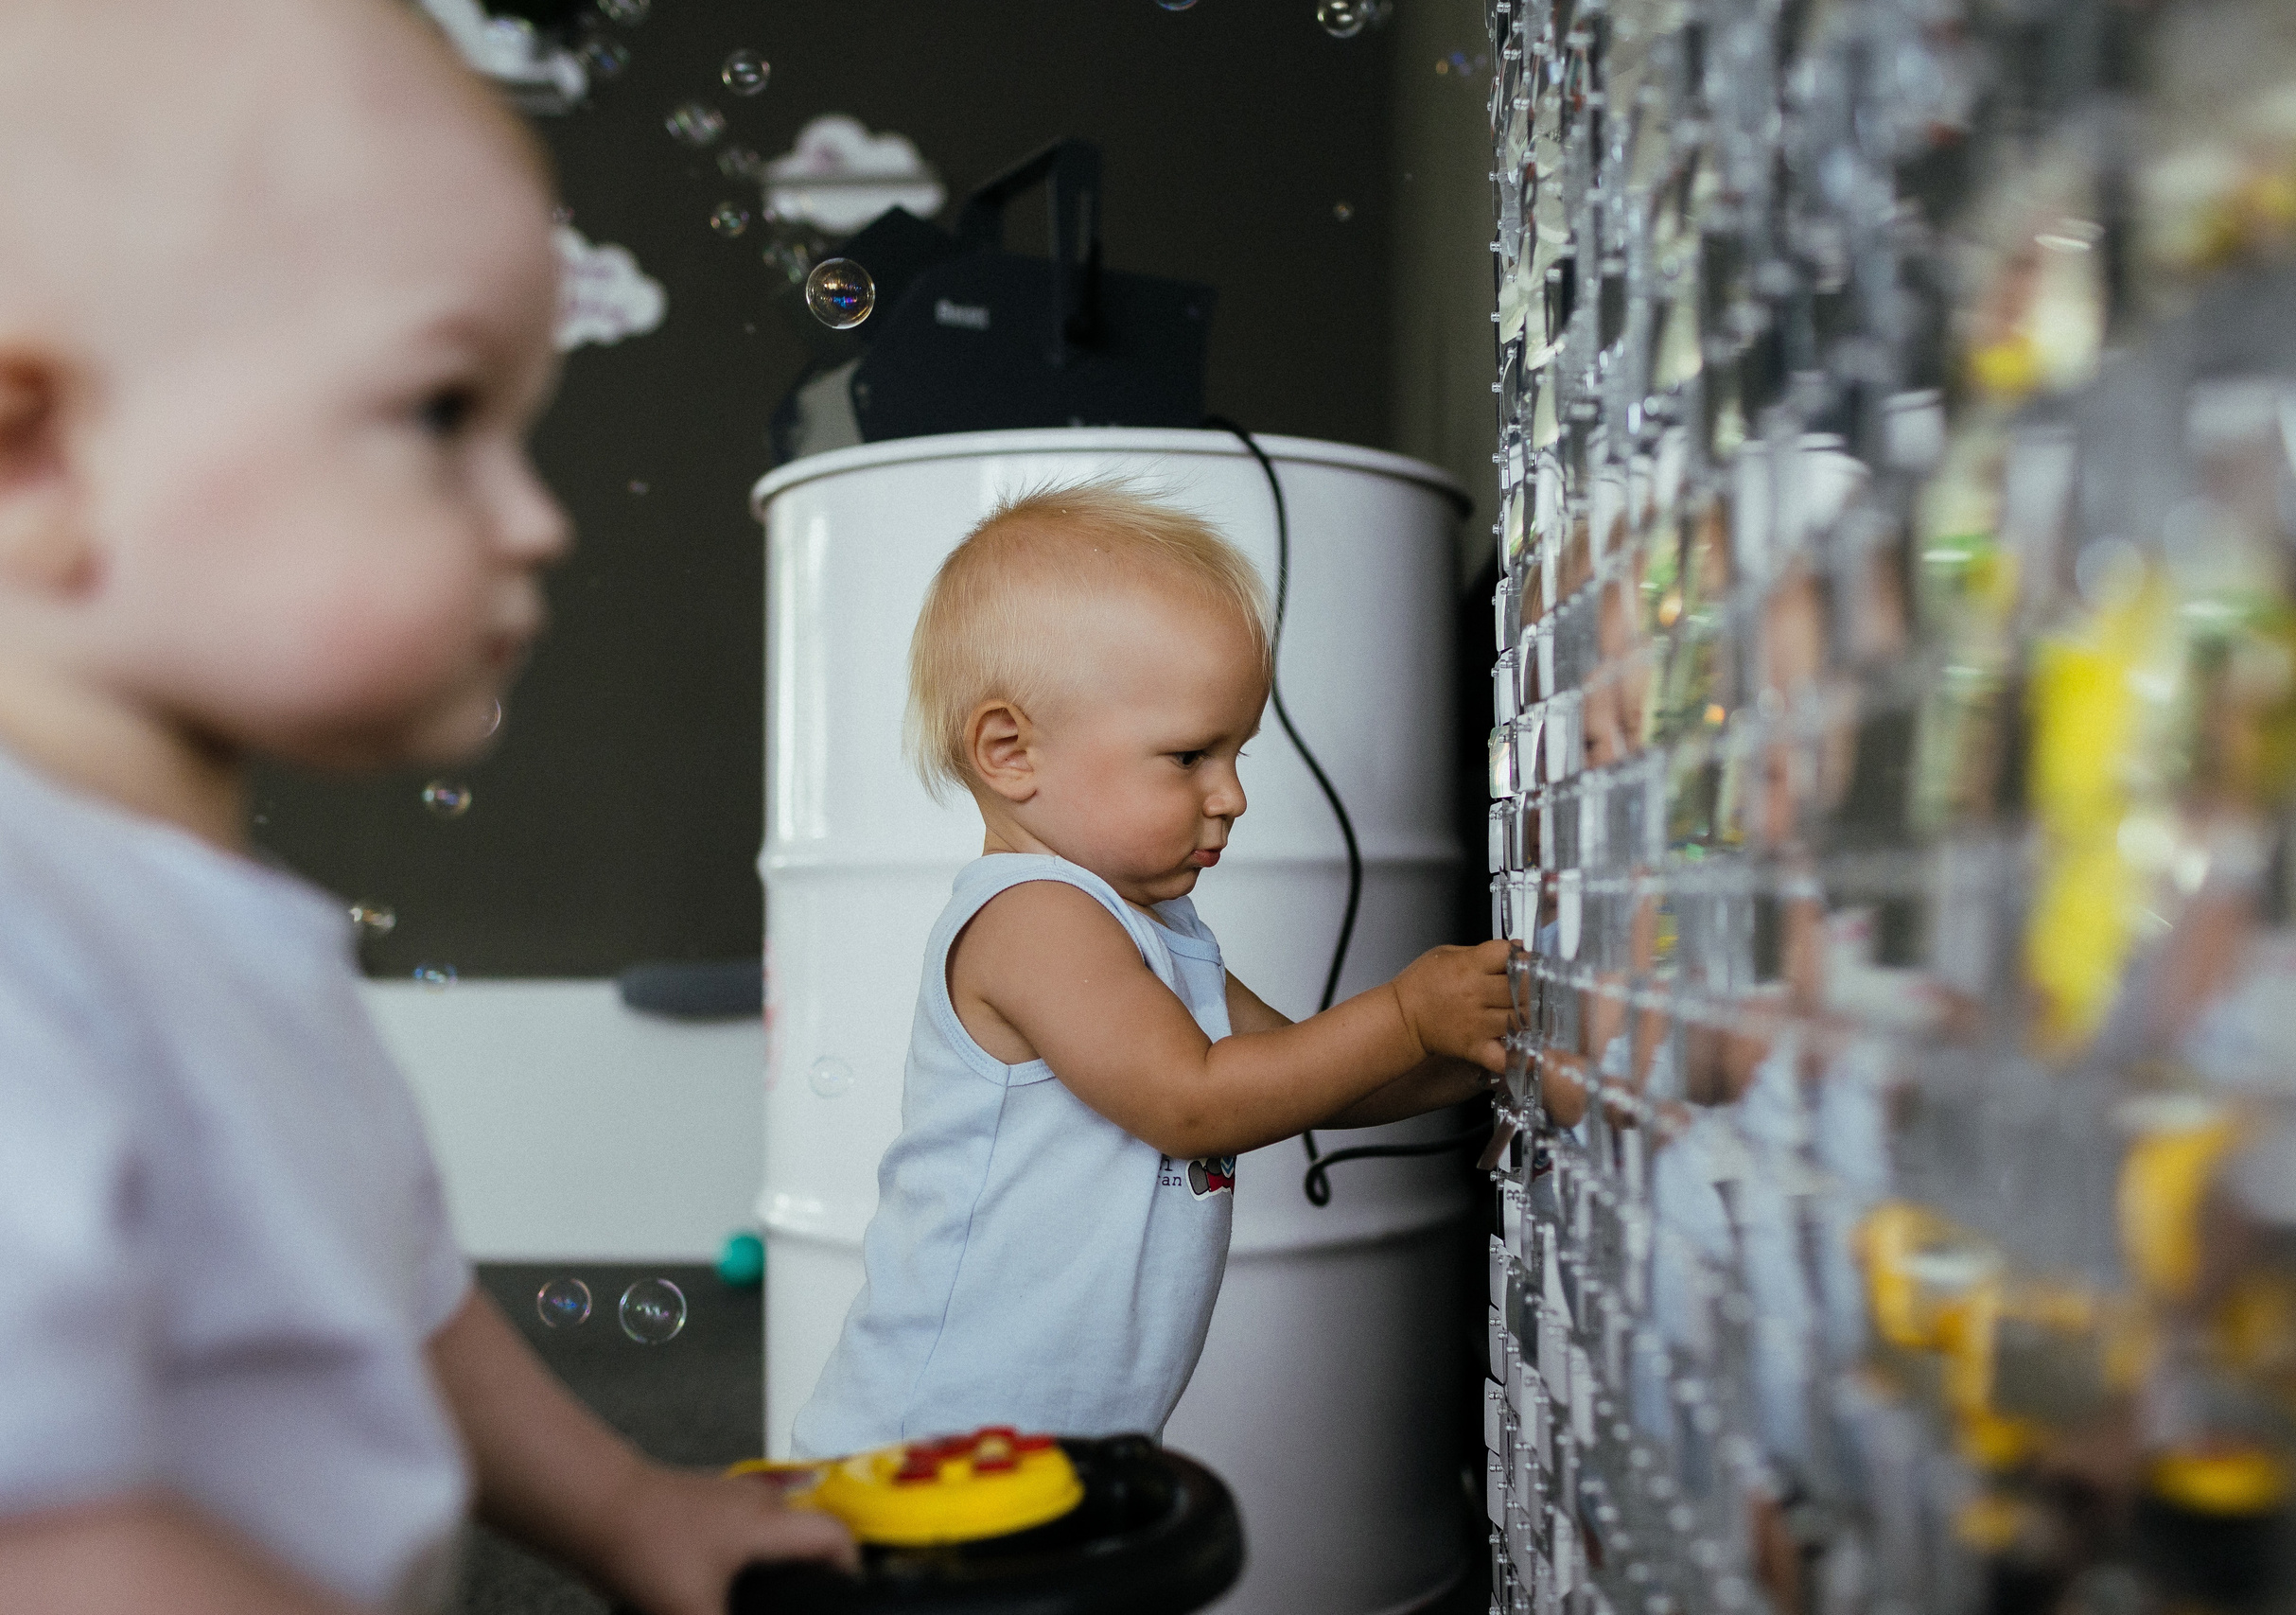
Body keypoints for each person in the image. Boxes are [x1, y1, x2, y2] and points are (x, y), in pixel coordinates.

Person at [0, 3, 854, 1611]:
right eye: (444, 413)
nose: (537, 520)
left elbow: (394, 1300)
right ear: (36, 450)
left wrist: (626, 1508)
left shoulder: (228, 929)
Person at [793, 483, 1512, 1458]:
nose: (1233, 795)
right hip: (931, 1445)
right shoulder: (1031, 916)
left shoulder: (1158, 931)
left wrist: (1478, 1059)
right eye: (1189, 757)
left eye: (1237, 752)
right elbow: (1194, 1101)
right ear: (1009, 752)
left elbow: (1308, 1075)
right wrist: (1407, 1015)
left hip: (1049, 1443)